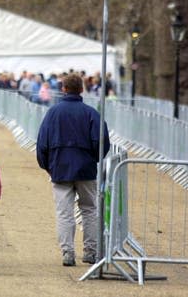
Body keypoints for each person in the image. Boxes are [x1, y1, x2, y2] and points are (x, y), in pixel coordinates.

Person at [35, 73, 110, 267]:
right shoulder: (91, 113)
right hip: (85, 168)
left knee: (64, 212)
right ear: (82, 89)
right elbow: (102, 141)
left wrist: (47, 166)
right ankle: (90, 251)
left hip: (60, 167)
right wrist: (93, 159)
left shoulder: (53, 113)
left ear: (63, 89)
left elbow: (42, 142)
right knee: (89, 209)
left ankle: (68, 252)